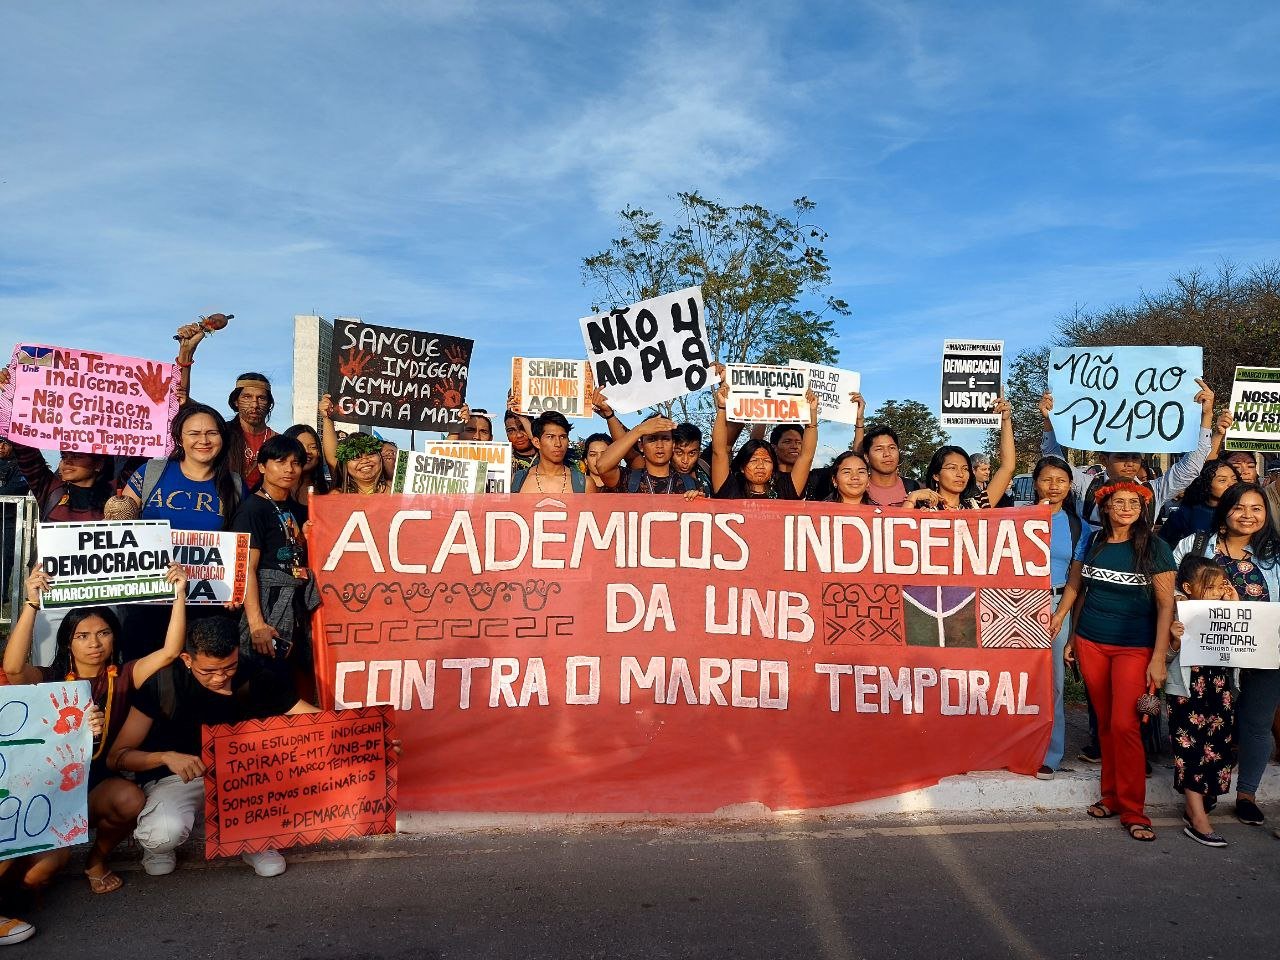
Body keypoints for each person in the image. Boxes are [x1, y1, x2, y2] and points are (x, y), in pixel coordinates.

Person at [4, 564, 188, 894]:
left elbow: (171, 652)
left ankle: (97, 859)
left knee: (131, 800)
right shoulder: (50, 678)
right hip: (48, 793)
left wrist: (178, 595)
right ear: (67, 642)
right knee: (37, 876)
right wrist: (31, 602)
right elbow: (13, 668)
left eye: (103, 633)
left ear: (114, 637)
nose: (94, 643)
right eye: (83, 636)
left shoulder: (125, 674)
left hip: (93, 788)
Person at [107, 617, 319, 878]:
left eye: (229, 667)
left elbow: (313, 721)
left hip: (241, 777)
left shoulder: (255, 675)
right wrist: (165, 757)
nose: (220, 677)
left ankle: (254, 840)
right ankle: (158, 848)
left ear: (237, 653)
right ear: (187, 659)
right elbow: (118, 757)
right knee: (162, 835)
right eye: (208, 671)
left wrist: (366, 732)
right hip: (177, 780)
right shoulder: (162, 683)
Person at [1050, 481, 1176, 841]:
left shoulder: (1155, 547)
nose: (1125, 508)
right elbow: (1078, 586)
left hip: (1133, 648)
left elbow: (1166, 605)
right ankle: (1110, 797)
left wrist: (1158, 658)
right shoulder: (1091, 542)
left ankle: (1135, 810)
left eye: (1133, 502)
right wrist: (1070, 632)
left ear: (1142, 507)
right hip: (1091, 642)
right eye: (1117, 502)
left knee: (1125, 725)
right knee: (1105, 723)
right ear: (1104, 507)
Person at [1172, 482, 1280, 828]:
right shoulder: (1195, 545)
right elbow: (1174, 590)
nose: (1248, 516)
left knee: (1256, 724)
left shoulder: (1274, 554)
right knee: (1211, 723)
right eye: (1240, 508)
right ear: (1225, 510)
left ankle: (1246, 794)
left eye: (1256, 509)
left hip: (1264, 654)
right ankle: (1206, 789)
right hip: (1209, 658)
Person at [1038, 380, 1217, 524]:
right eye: (1122, 457)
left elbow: (1191, 468)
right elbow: (1054, 462)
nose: (1130, 463)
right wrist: (1049, 420)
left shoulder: (1155, 491)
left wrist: (1206, 415)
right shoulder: (1087, 486)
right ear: (1104, 459)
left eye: (1135, 457)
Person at [231, 435, 316, 696]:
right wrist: (257, 624)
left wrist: (308, 538)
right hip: (268, 607)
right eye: (280, 462)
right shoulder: (252, 510)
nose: (289, 469)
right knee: (261, 683)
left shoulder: (296, 509)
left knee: (289, 682)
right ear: (262, 467)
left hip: (296, 605)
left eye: (296, 463)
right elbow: (246, 569)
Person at [1165, 555, 1240, 847]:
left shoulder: (1228, 611)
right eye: (1210, 587)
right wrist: (1174, 641)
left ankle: (1198, 805)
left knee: (1219, 747)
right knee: (1190, 751)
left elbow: (1243, 653)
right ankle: (1198, 820)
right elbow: (1165, 658)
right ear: (1188, 588)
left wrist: (1234, 607)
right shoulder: (1177, 613)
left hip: (1219, 690)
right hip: (1187, 691)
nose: (1218, 593)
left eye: (1221, 586)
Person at [1032, 455, 1092, 780]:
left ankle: (1050, 753)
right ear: (1035, 482)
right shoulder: (1018, 518)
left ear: (1070, 486)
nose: (1053, 486)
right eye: (1046, 479)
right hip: (1017, 605)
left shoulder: (1077, 525)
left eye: (1061, 480)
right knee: (1020, 681)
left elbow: (1076, 579)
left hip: (1057, 606)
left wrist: (1062, 617)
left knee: (1053, 683)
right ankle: (1019, 745)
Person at [711, 382, 818, 500]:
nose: (760, 466)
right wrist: (722, 408)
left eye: (767, 461)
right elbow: (719, 452)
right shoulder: (729, 488)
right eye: (754, 460)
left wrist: (812, 414)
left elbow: (806, 456)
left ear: (774, 466)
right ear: (742, 467)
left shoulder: (785, 488)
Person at [904, 400, 1016, 511]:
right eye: (952, 468)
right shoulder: (921, 508)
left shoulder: (976, 506)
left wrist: (1005, 420)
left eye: (965, 469)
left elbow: (1008, 467)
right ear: (936, 475)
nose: (960, 474)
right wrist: (912, 499)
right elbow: (900, 525)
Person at [589, 415, 701, 497]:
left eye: (666, 439)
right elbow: (602, 466)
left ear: (673, 445)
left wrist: (697, 503)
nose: (659, 445)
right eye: (652, 439)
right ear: (641, 446)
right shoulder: (627, 479)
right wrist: (639, 430)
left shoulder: (691, 484)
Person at [1157, 460, 1241, 546]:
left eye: (1234, 479)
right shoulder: (1187, 513)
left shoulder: (1243, 511)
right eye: (1222, 480)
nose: (1231, 484)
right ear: (1206, 483)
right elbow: (1162, 544)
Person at [318, 395, 390, 495]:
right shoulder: (337, 496)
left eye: (370, 453)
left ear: (380, 457)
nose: (365, 460)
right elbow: (332, 458)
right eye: (356, 457)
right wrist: (327, 417)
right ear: (344, 465)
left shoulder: (398, 489)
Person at [512, 412, 587, 494]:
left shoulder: (584, 484)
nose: (558, 444)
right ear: (536, 442)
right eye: (550, 437)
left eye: (563, 437)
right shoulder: (517, 480)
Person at [225, 372, 277, 488]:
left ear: (269, 404)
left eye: (261, 398)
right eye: (247, 397)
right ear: (236, 401)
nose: (255, 404)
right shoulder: (221, 434)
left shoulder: (278, 441)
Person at [861, 426, 922, 507]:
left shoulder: (913, 487)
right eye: (879, 449)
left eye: (892, 448)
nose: (887, 454)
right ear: (866, 457)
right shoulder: (858, 488)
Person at [283, 423, 331, 506]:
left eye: (313, 447)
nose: (307, 451)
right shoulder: (276, 490)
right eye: (300, 446)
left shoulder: (328, 490)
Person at [672, 423, 713, 497]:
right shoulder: (663, 475)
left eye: (692, 453)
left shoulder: (705, 468)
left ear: (699, 452)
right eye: (679, 452)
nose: (685, 460)